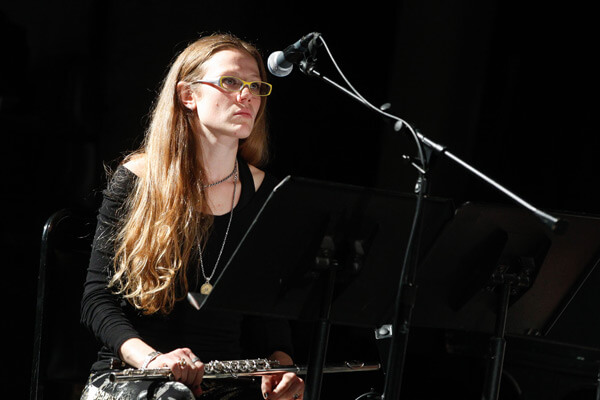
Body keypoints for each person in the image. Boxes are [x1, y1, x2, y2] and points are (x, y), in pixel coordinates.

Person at [79, 33, 305, 400]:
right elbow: (96, 299)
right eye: (230, 82)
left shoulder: (267, 192)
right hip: (134, 375)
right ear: (188, 96)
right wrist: (152, 360)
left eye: (256, 86)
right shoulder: (138, 178)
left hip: (225, 381)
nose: (246, 95)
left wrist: (281, 364)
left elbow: (267, 312)